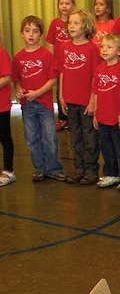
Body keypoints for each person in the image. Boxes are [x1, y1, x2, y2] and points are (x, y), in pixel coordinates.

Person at [11, 16, 66, 183]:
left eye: (35, 31)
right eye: (27, 31)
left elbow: (53, 79)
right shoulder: (19, 57)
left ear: (40, 35)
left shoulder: (46, 55)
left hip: (45, 103)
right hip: (27, 105)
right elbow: (17, 80)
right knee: (31, 138)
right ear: (21, 34)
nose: (31, 34)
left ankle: (53, 168)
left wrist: (37, 93)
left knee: (49, 136)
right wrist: (19, 90)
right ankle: (40, 168)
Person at [59, 9, 100, 185]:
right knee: (74, 135)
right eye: (70, 23)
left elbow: (95, 76)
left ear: (86, 26)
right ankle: (79, 168)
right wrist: (61, 96)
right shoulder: (65, 47)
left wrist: (92, 100)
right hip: (69, 99)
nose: (72, 26)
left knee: (89, 135)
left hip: (85, 101)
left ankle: (91, 170)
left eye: (76, 23)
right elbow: (62, 72)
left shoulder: (92, 48)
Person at [90, 33, 120, 191]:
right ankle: (111, 173)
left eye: (109, 47)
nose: (104, 50)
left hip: (118, 117)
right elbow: (96, 92)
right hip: (103, 117)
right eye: (102, 46)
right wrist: (95, 113)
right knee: (106, 147)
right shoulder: (99, 69)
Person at [46, 0, 75, 131]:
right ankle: (63, 119)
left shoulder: (75, 23)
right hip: (59, 63)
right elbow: (51, 43)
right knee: (60, 92)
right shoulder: (55, 23)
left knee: (72, 89)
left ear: (73, 6)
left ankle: (74, 117)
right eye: (61, 3)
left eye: (67, 3)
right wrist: (51, 61)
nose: (64, 6)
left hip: (72, 63)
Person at [0, 29, 15, 187]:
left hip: (1, 106)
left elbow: (7, 77)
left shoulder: (1, 53)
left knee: (4, 136)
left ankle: (8, 170)